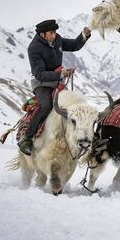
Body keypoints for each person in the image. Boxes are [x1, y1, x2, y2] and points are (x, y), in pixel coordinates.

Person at [17, 19, 92, 155]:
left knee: (72, 105)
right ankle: (26, 138)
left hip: (58, 81)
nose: (54, 35)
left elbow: (75, 45)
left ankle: (77, 137)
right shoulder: (34, 48)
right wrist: (61, 73)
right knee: (45, 105)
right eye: (51, 33)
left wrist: (84, 35)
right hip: (41, 84)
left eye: (55, 32)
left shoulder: (57, 39)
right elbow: (39, 74)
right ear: (42, 34)